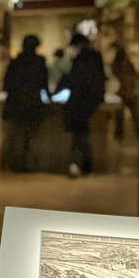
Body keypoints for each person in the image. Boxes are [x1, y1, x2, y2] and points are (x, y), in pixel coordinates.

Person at [55, 33, 106, 177]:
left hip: (81, 99)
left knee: (80, 133)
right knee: (82, 132)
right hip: (91, 99)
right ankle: (83, 164)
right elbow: (101, 78)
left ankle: (78, 164)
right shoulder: (95, 57)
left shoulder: (81, 58)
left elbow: (74, 78)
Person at [1, 35, 49, 172]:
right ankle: (30, 165)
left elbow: (6, 85)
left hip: (15, 104)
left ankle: (16, 165)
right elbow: (43, 84)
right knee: (31, 137)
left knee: (17, 136)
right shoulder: (39, 62)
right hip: (33, 104)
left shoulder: (15, 63)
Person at [111, 42, 139, 141]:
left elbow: (134, 75)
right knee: (120, 117)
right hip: (123, 93)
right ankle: (120, 135)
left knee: (134, 116)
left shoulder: (126, 64)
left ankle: (136, 135)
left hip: (127, 93)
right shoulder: (119, 64)